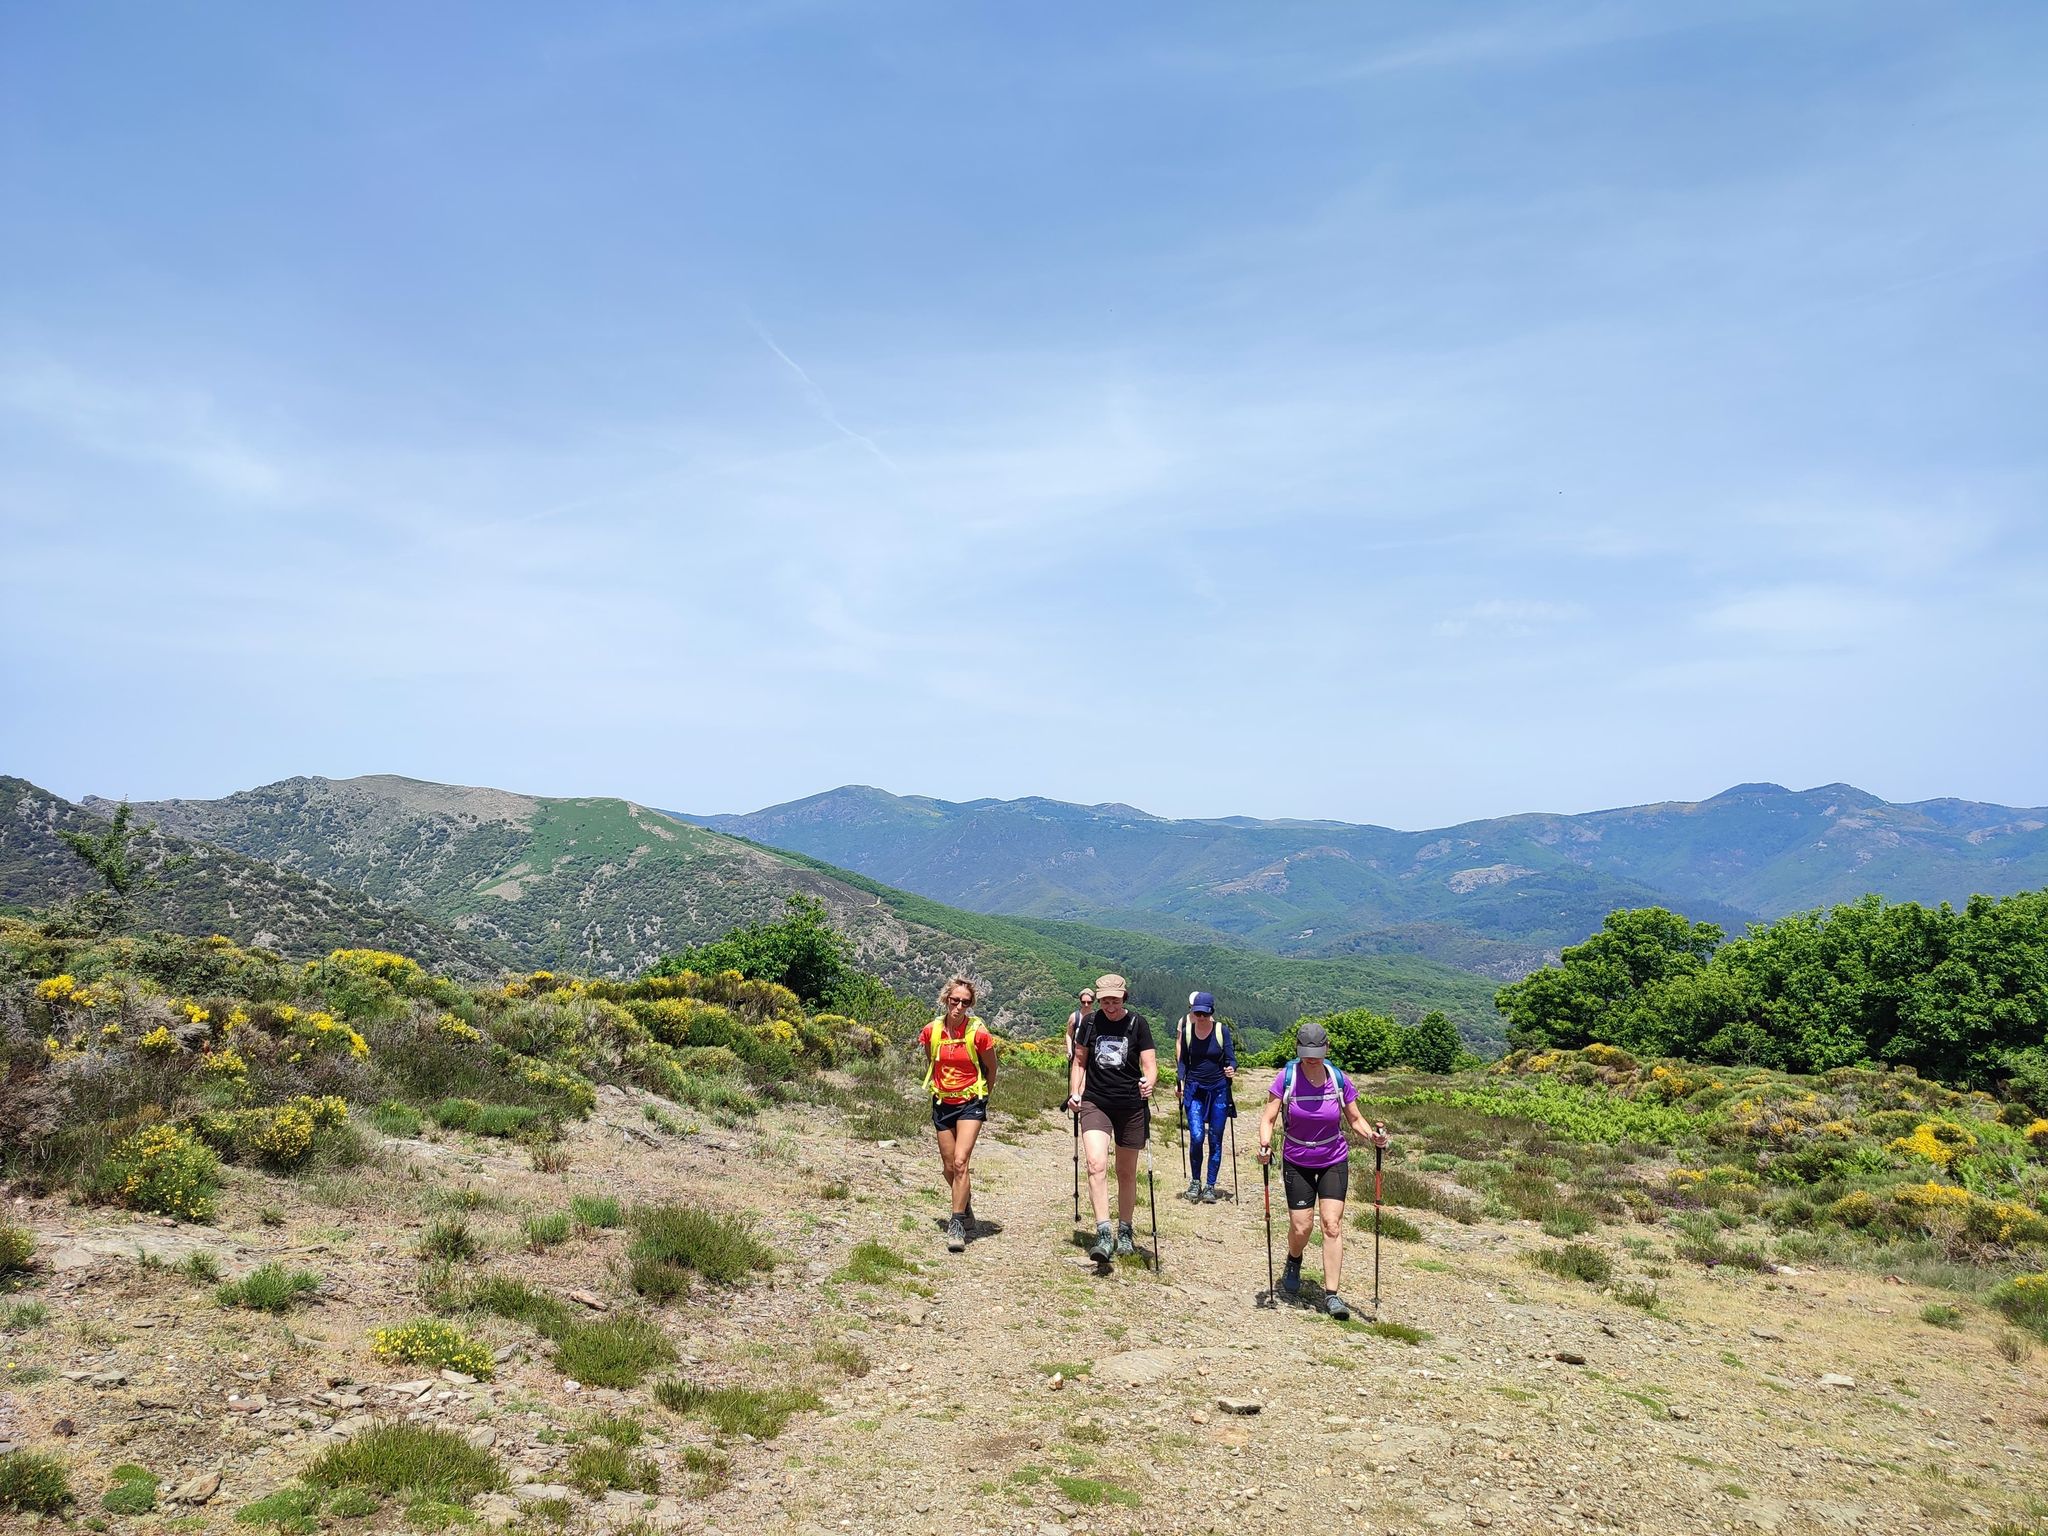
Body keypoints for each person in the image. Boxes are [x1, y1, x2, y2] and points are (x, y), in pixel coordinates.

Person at [1255, 1021, 1390, 1319]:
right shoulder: (1286, 1078)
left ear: (1326, 1048)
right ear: (1298, 1050)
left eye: (1316, 1051)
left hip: (1333, 1158)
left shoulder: (1338, 1079)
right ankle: (1294, 1258)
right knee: (1302, 1227)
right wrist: (1265, 1145)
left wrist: (1373, 1137)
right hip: (1297, 1159)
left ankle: (1332, 1296)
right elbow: (1269, 1118)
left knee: (1332, 1225)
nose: (1312, 1058)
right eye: (1306, 1052)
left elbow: (1355, 1119)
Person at [1066, 973, 1156, 1262]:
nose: (1110, 1006)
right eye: (1105, 1000)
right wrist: (1074, 1092)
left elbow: (1149, 1063)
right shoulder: (1090, 1023)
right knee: (1095, 1164)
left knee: (1126, 1172)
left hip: (1131, 1105)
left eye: (1114, 1000)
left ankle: (1126, 1230)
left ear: (1124, 998)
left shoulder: (1137, 1024)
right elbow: (1080, 1061)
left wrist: (1150, 1081)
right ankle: (1104, 1233)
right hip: (1096, 1102)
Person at [919, 976, 998, 1253]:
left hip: (970, 1102)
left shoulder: (979, 1033)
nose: (959, 1006)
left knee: (961, 1161)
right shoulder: (932, 1031)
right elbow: (932, 1059)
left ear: (970, 1004)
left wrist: (983, 1095)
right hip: (942, 1101)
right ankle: (964, 1202)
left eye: (965, 1002)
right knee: (949, 1167)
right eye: (955, 1000)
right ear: (946, 999)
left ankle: (956, 1223)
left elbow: (991, 1067)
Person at [1174, 991, 1236, 1203]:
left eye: (1204, 1014)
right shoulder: (1188, 1031)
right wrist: (1179, 1081)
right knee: (1197, 1136)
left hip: (1218, 1090)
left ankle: (1210, 1185)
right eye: (1197, 1013)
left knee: (1215, 1139)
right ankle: (1195, 1181)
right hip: (1194, 1090)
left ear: (1211, 1012)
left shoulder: (1222, 1031)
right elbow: (1183, 1061)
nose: (1200, 1018)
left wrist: (1231, 1069)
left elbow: (1231, 1059)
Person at [1064, 987, 1096, 1064]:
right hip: (1077, 1053)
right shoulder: (1074, 1017)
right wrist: (1069, 1050)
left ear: (1093, 1002)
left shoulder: (1097, 1017)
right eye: (1083, 1002)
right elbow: (1069, 1034)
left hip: (1092, 1054)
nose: (1086, 1005)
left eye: (1089, 1002)